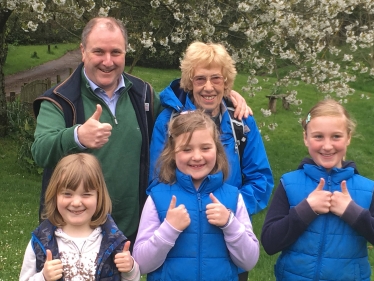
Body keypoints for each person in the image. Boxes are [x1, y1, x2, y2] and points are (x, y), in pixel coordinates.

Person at [31, 17, 250, 245]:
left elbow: (179, 111)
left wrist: (225, 96)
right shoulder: (60, 99)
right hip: (74, 228)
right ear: (83, 51)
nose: (108, 61)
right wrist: (77, 136)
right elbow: (40, 150)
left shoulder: (142, 94)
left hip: (129, 232)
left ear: (125, 52)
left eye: (116, 52)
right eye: (99, 52)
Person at [133, 110, 260, 281]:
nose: (197, 156)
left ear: (217, 149)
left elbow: (249, 262)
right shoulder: (157, 198)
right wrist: (168, 229)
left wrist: (230, 224)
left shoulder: (233, 197)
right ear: (172, 152)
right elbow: (141, 264)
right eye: (186, 149)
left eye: (206, 148)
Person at [261, 99, 374, 281]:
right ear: (305, 137)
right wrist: (305, 210)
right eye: (318, 136)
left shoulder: (367, 189)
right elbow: (269, 242)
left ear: (348, 137)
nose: (327, 146)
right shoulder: (289, 183)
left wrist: (353, 213)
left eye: (336, 136)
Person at [19, 153, 140, 281]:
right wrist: (43, 277)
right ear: (54, 195)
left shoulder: (114, 241)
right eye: (67, 194)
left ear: (99, 197)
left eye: (86, 194)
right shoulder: (40, 241)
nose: (76, 203)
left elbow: (132, 278)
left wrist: (130, 269)